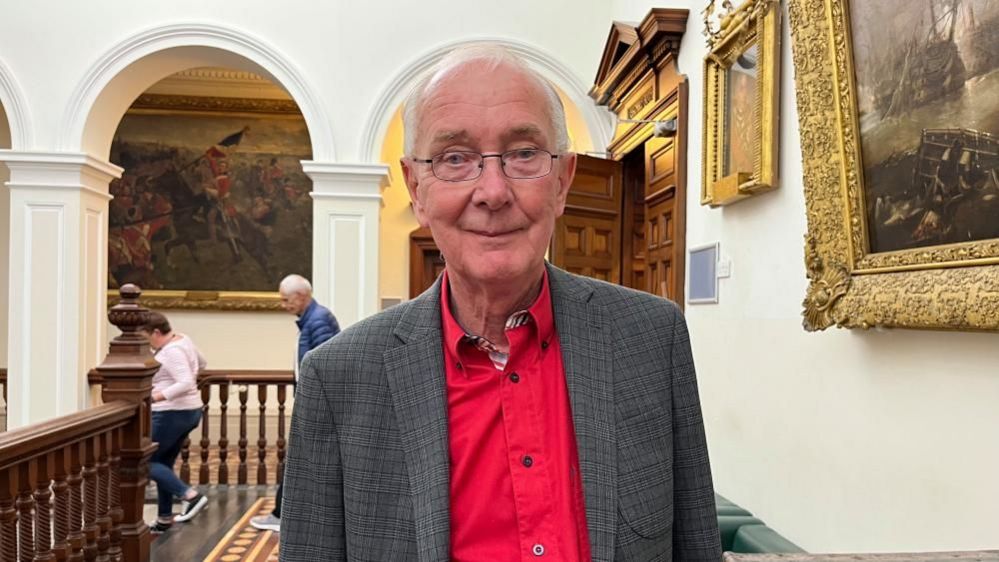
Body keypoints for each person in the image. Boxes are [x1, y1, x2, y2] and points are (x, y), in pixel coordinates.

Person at [281, 45, 720, 561]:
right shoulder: (338, 378)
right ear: (416, 188)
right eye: (454, 158)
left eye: (524, 153)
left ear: (563, 181)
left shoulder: (651, 339)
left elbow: (695, 546)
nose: (493, 191)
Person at [250, 274, 340, 533]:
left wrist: (312, 405)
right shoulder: (313, 319)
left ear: (301, 296)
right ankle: (287, 513)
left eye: (285, 299)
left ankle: (283, 515)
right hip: (315, 404)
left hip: (317, 407)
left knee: (297, 461)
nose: (283, 304)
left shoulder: (318, 319)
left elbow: (324, 367)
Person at [141, 311, 209, 534]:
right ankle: (164, 518)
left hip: (171, 413)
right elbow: (202, 363)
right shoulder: (183, 339)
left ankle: (190, 495)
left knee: (144, 461)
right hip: (189, 411)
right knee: (163, 464)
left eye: (147, 336)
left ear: (157, 332)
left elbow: (186, 381)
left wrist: (155, 396)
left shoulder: (171, 351)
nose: (147, 343)